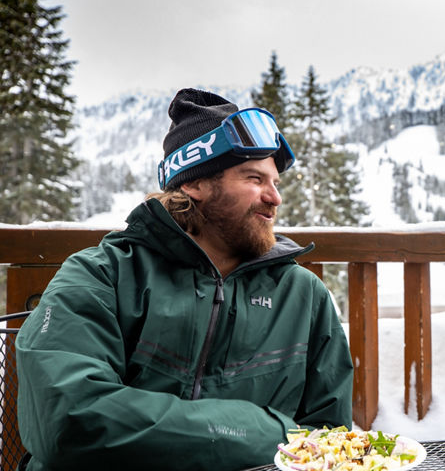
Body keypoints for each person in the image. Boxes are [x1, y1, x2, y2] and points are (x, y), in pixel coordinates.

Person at [15, 89, 354, 470]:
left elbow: (330, 444)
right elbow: (67, 420)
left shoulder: (302, 296)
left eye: (275, 183)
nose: (274, 198)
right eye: (254, 178)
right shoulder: (101, 276)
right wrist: (255, 431)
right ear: (194, 184)